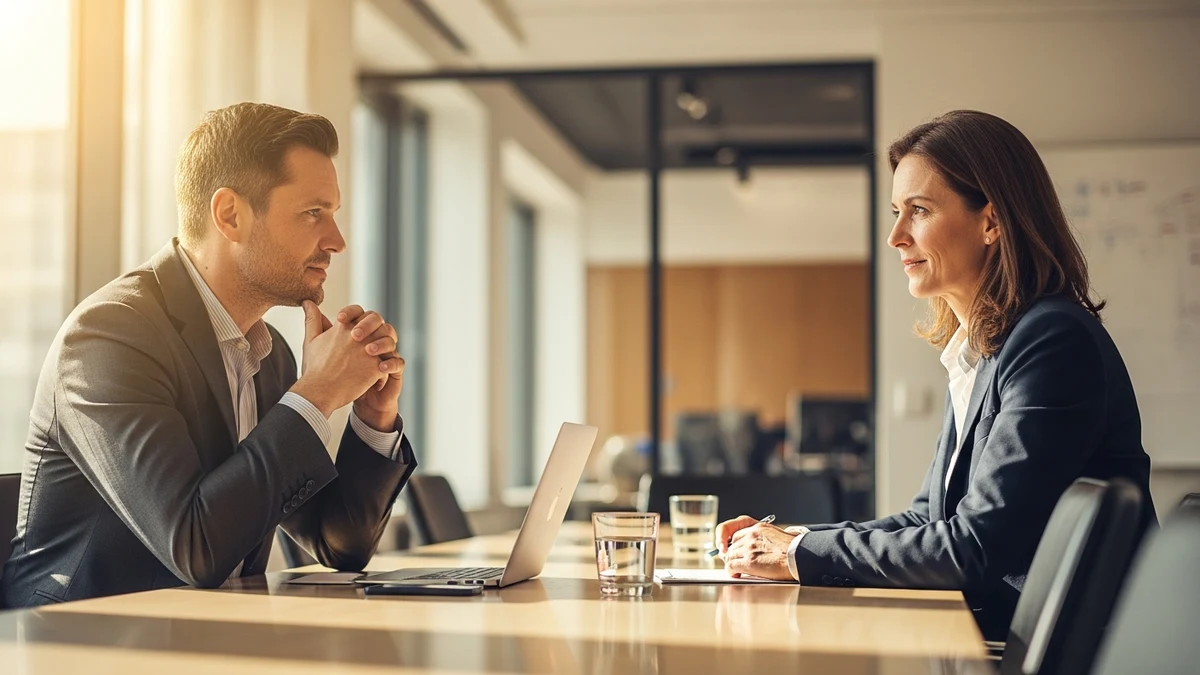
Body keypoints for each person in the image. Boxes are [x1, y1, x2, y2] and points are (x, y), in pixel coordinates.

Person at [715, 110, 1157, 640]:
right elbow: (927, 520)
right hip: (1003, 631)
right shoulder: (984, 349)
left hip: (1050, 648)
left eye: (918, 211)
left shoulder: (1051, 341)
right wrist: (788, 537)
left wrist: (797, 553)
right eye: (897, 211)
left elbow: (975, 548)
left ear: (991, 222)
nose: (896, 237)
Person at [1, 103, 416, 607]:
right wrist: (318, 393)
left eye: (333, 214)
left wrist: (373, 418)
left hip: (204, 635)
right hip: (81, 643)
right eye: (313, 213)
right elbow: (194, 546)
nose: (337, 240)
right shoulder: (108, 339)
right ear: (230, 215)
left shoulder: (270, 356)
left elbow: (337, 544)